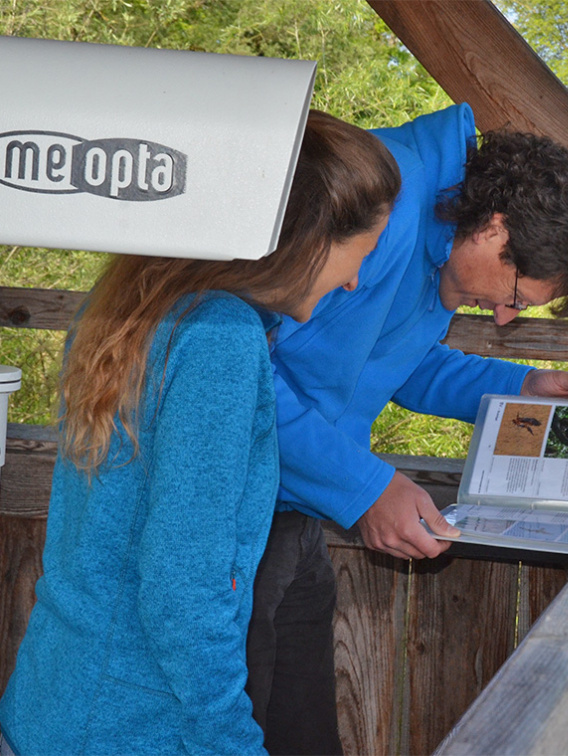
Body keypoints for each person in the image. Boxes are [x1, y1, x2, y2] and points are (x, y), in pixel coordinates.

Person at [0, 110, 400, 756]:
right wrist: (235, 746)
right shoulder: (220, 338)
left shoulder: (126, 306)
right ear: (308, 236)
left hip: (51, 703)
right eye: (363, 252)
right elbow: (182, 594)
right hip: (129, 730)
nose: (355, 279)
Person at [246, 102, 568, 755]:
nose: (504, 317)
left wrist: (515, 387)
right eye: (516, 295)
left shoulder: (439, 238)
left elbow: (390, 357)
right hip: (227, 501)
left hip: (291, 500)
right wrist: (364, 488)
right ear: (495, 229)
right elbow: (233, 371)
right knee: (224, 721)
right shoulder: (373, 208)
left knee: (300, 728)